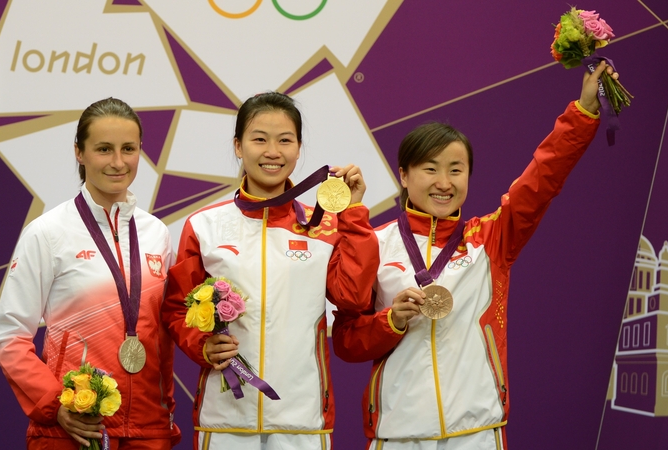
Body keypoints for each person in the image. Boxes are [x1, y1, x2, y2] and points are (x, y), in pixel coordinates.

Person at [331, 62, 620, 450]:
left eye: (456, 170)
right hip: (398, 435)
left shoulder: (492, 237)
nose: (444, 183)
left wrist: (583, 112)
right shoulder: (376, 243)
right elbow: (347, 342)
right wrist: (391, 321)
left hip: (477, 434)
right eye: (430, 169)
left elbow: (543, 177)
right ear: (404, 175)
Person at [162, 91, 379, 449]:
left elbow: (353, 299)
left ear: (299, 148)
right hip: (225, 420)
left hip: (302, 419)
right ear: (238, 145)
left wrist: (352, 213)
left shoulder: (323, 227)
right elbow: (175, 309)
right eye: (259, 139)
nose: (273, 151)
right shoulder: (205, 225)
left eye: (285, 140)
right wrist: (203, 345)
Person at [0, 97, 180, 449]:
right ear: (79, 152)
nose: (118, 162)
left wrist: (163, 412)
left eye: (129, 149)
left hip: (147, 429)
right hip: (74, 428)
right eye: (104, 149)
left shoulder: (157, 233)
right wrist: (55, 404)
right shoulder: (47, 233)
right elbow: (8, 336)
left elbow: (161, 337)